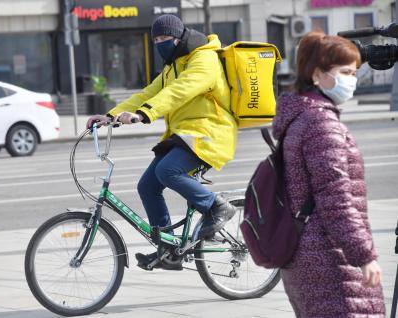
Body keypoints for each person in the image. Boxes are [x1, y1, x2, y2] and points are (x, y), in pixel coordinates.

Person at [86, 14, 237, 270]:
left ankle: (217, 206)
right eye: (155, 39)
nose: (159, 43)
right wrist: (110, 116)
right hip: (185, 135)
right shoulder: (172, 66)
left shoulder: (204, 58)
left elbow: (181, 91)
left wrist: (145, 114)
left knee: (168, 171)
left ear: (179, 38)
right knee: (147, 185)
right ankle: (168, 248)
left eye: (164, 38)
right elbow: (148, 93)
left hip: (210, 131)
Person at [273, 31, 386, 317]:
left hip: (307, 256)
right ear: (317, 74)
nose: (352, 80)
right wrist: (364, 256)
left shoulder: (300, 117)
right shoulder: (321, 124)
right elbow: (336, 201)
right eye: (345, 72)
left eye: (354, 72)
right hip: (331, 260)